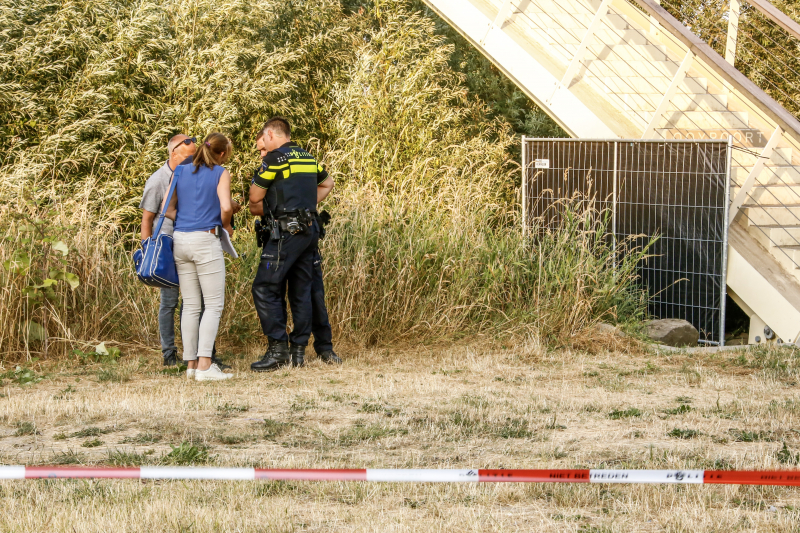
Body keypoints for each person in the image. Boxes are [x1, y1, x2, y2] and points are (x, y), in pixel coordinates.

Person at [249, 117, 333, 371]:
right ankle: (298, 351)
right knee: (302, 290)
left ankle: (277, 350)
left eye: (264, 141)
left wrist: (277, 209)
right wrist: (306, 205)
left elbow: (254, 196)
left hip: (286, 232)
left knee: (264, 287)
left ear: (272, 135)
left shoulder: (275, 159)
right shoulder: (307, 157)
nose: (264, 148)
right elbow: (327, 183)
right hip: (309, 230)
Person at [163, 132, 235, 381]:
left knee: (191, 306)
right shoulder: (220, 172)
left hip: (181, 240)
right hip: (206, 240)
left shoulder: (180, 171)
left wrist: (186, 220)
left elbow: (167, 208)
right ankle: (206, 364)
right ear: (222, 153)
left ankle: (191, 365)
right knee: (213, 305)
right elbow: (226, 206)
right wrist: (225, 226)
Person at [140, 134, 195, 366]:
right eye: (189, 156)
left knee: (192, 301)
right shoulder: (157, 180)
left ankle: (193, 353)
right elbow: (146, 219)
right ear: (174, 154)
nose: (193, 160)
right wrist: (148, 251)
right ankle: (169, 354)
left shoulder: (191, 175)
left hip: (188, 242)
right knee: (169, 301)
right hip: (165, 245)